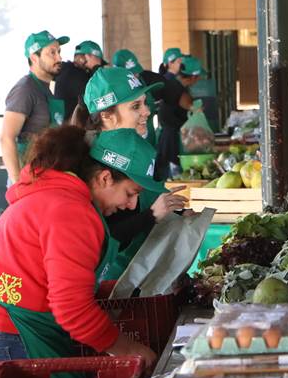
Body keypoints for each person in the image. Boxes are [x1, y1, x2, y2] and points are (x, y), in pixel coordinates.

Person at [0, 125, 161, 369]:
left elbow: (52, 280)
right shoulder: (71, 211)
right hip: (10, 339)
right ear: (105, 178)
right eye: (130, 193)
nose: (130, 204)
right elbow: (73, 310)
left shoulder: (54, 196)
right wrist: (132, 351)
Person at [71, 66, 187, 280]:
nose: (147, 111)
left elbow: (145, 199)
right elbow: (100, 238)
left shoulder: (134, 149)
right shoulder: (88, 165)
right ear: (107, 116)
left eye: (145, 102)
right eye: (136, 106)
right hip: (111, 282)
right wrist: (151, 216)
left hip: (141, 273)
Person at [1, 30, 69, 185]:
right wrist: (19, 183)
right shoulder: (25, 89)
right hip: (27, 179)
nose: (59, 58)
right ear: (34, 57)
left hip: (45, 175)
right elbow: (6, 138)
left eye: (59, 52)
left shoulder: (46, 90)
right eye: (52, 53)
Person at [156, 55, 203, 179]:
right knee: (173, 177)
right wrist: (195, 108)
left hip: (168, 136)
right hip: (172, 140)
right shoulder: (177, 88)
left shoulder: (174, 84)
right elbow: (189, 105)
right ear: (193, 77)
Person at [112, 48, 171, 147]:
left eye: (136, 72)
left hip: (149, 143)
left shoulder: (142, 81)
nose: (136, 75)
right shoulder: (115, 92)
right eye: (130, 74)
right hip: (131, 146)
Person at [56, 40, 105, 121]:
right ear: (87, 57)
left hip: (67, 128)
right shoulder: (76, 75)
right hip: (72, 130)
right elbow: (102, 93)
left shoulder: (67, 71)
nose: (101, 67)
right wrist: (95, 67)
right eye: (99, 62)